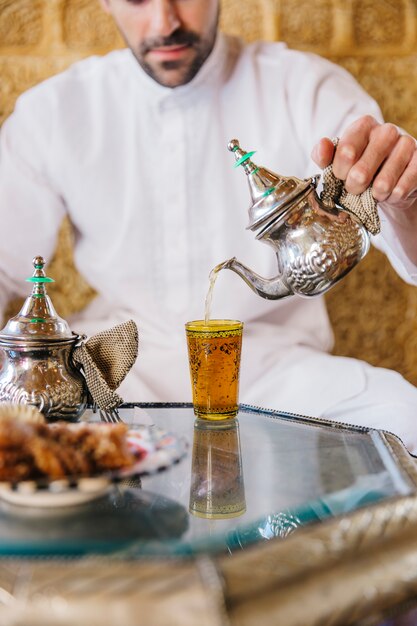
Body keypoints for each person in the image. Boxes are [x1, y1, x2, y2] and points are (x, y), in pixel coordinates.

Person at [1, 0, 417, 450]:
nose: (166, 22)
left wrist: (405, 196)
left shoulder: (303, 86)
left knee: (403, 415)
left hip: (279, 373)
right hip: (116, 372)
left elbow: (400, 247)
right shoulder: (53, 112)